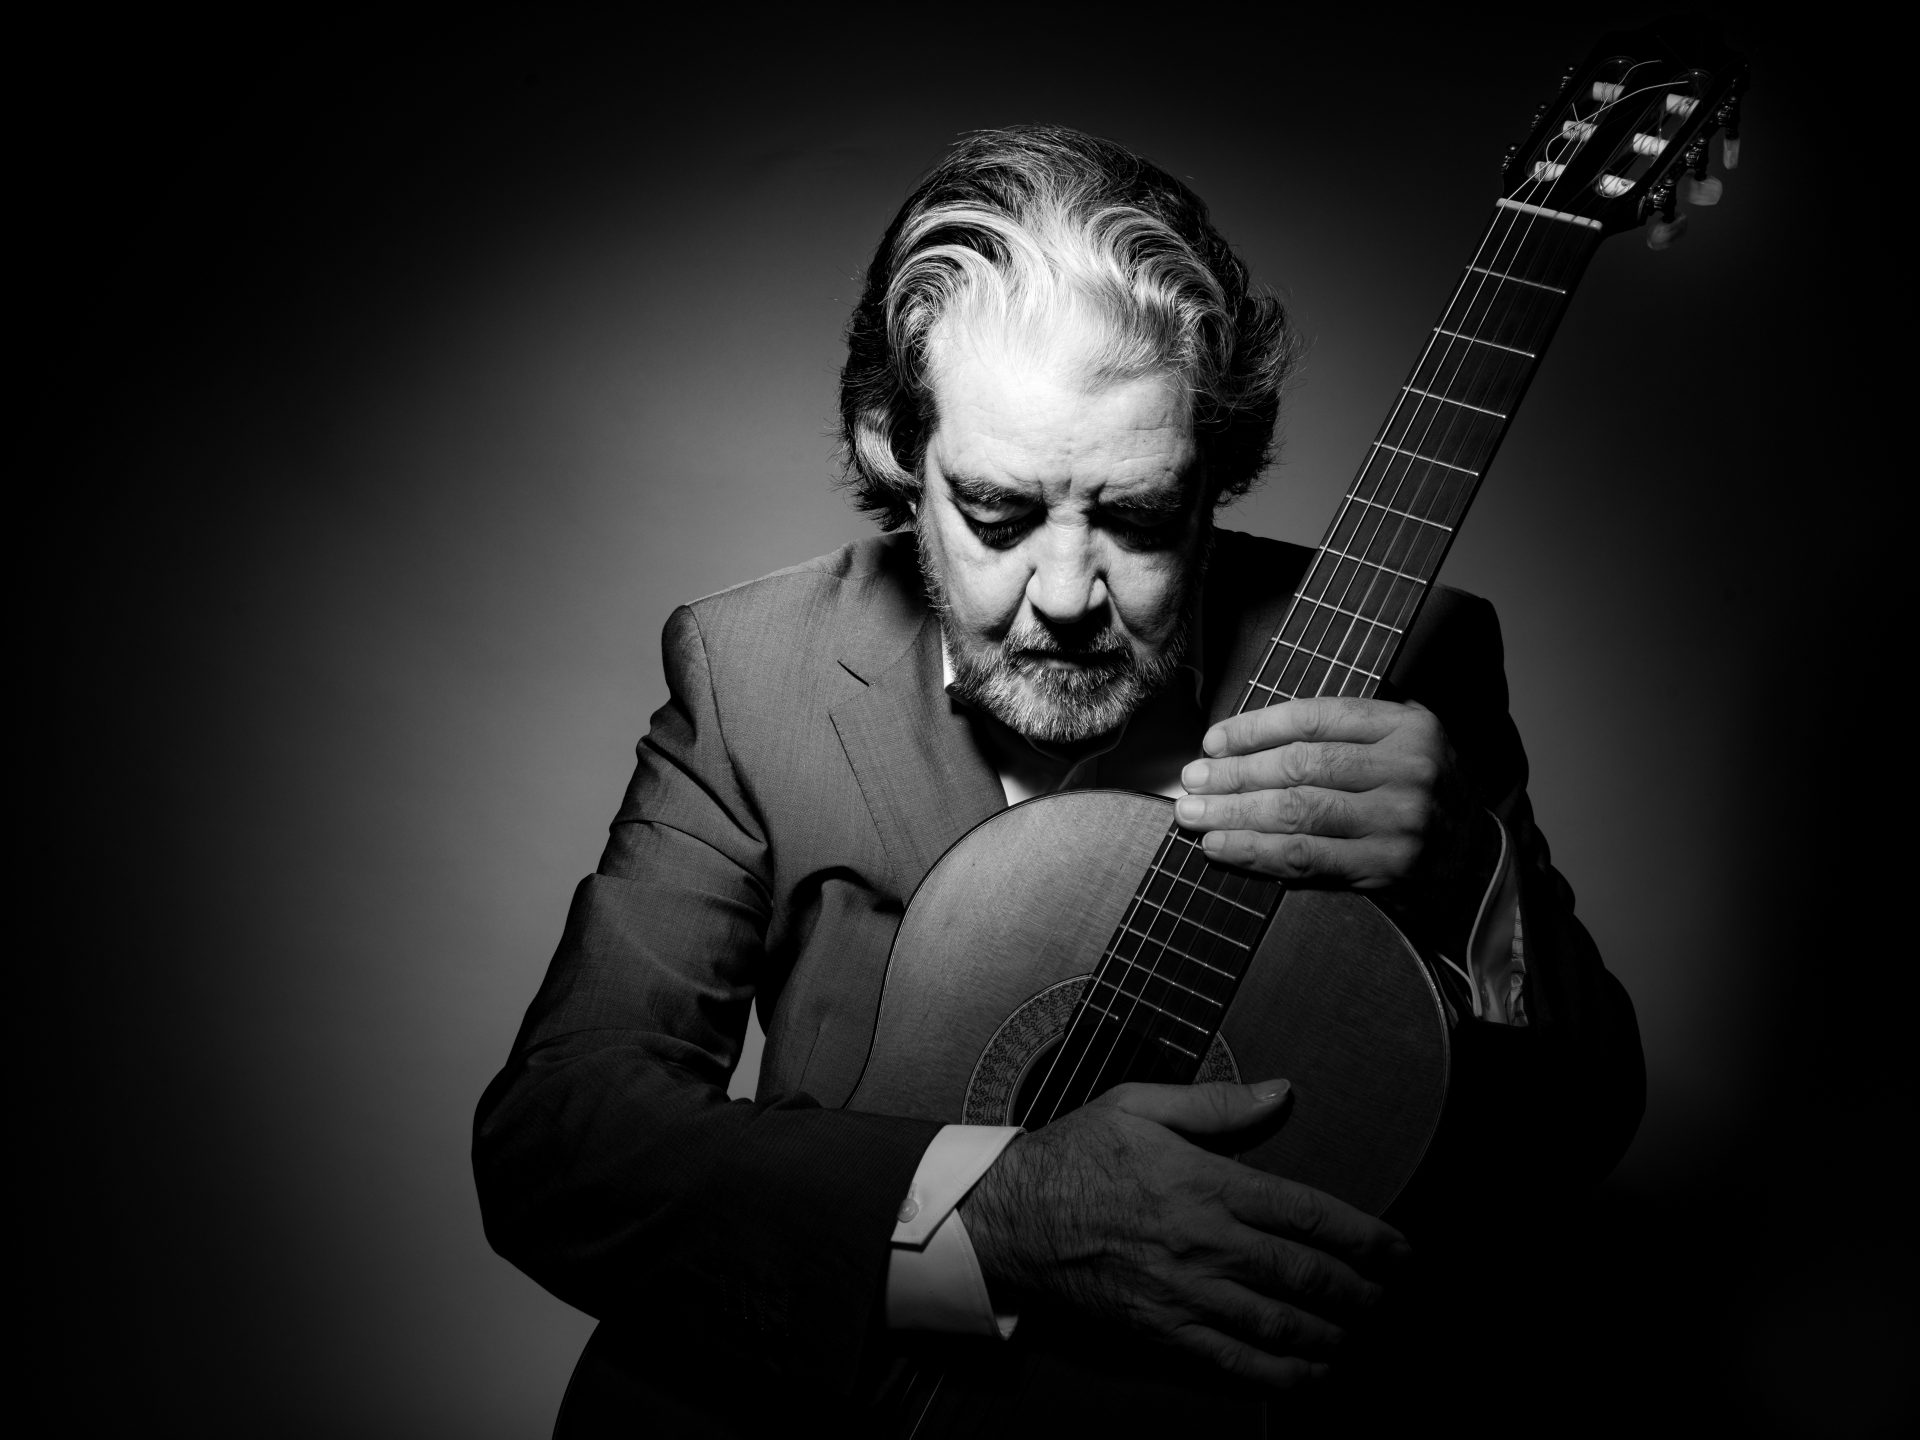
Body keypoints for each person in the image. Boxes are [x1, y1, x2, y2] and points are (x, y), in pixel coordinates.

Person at [474, 125, 1644, 1435]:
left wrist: (1471, 880)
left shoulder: (1409, 656)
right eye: (1000, 513)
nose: (1070, 593)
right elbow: (560, 1142)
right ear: (892, 449)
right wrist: (998, 1214)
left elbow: (1572, 1136)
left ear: (1215, 468)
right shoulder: (755, 675)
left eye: (1138, 518)